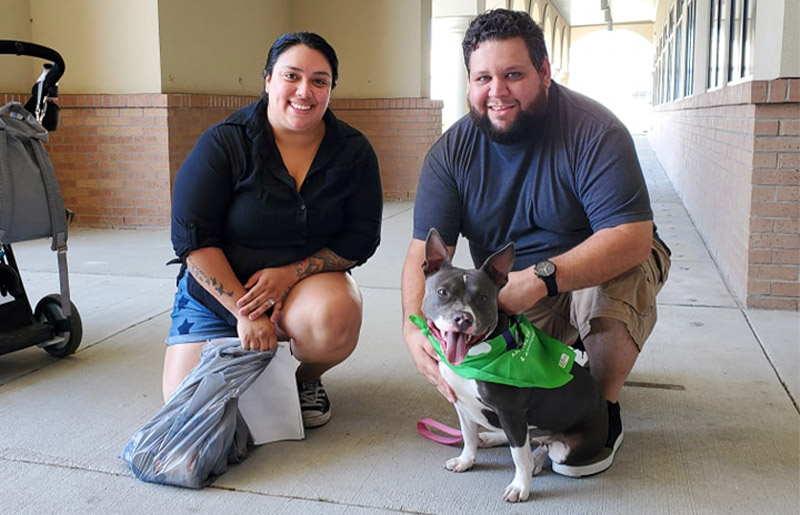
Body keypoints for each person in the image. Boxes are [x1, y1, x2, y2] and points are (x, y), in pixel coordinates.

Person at [401, 9, 671, 476]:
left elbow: (632, 238)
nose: (497, 92)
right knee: (525, 381)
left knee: (620, 274)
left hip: (589, 270)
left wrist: (541, 277)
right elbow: (420, 254)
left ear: (545, 72)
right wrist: (413, 327)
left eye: (513, 74)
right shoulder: (451, 153)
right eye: (483, 77)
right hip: (513, 291)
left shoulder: (594, 130)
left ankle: (600, 413)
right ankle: (547, 404)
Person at [164, 32, 383, 429]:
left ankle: (303, 380)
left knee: (335, 316)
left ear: (331, 89)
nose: (305, 91)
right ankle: (262, 370)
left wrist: (290, 275)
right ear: (267, 80)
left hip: (302, 290)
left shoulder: (353, 151)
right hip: (218, 293)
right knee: (187, 412)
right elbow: (193, 240)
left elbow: (361, 238)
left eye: (320, 81)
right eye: (291, 76)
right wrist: (244, 312)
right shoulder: (224, 143)